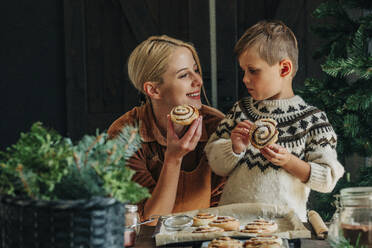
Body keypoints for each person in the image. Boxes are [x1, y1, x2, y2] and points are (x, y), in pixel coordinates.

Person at [204, 20, 344, 221]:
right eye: (244, 71)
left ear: (284, 69)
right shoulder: (240, 111)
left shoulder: (313, 121)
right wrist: (234, 148)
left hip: (284, 227)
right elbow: (215, 163)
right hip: (233, 222)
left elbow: (327, 179)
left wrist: (290, 162)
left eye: (253, 70)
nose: (245, 78)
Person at [107, 35, 225, 223]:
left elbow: (224, 213)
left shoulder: (216, 126)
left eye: (196, 70)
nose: (199, 81)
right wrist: (173, 159)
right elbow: (147, 221)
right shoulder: (124, 134)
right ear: (153, 90)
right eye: (184, 75)